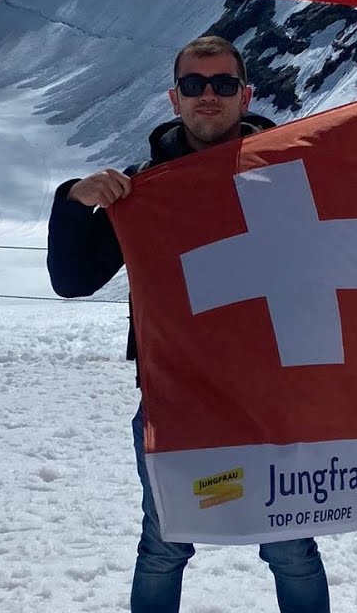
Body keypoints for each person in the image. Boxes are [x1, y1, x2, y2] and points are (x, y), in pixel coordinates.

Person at [47, 36, 332, 613]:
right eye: (195, 85)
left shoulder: (284, 175)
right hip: (175, 401)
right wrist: (75, 203)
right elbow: (73, 280)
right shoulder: (144, 190)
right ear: (174, 99)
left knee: (290, 546)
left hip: (269, 402)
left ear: (245, 94)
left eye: (224, 84)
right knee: (165, 544)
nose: (210, 96)